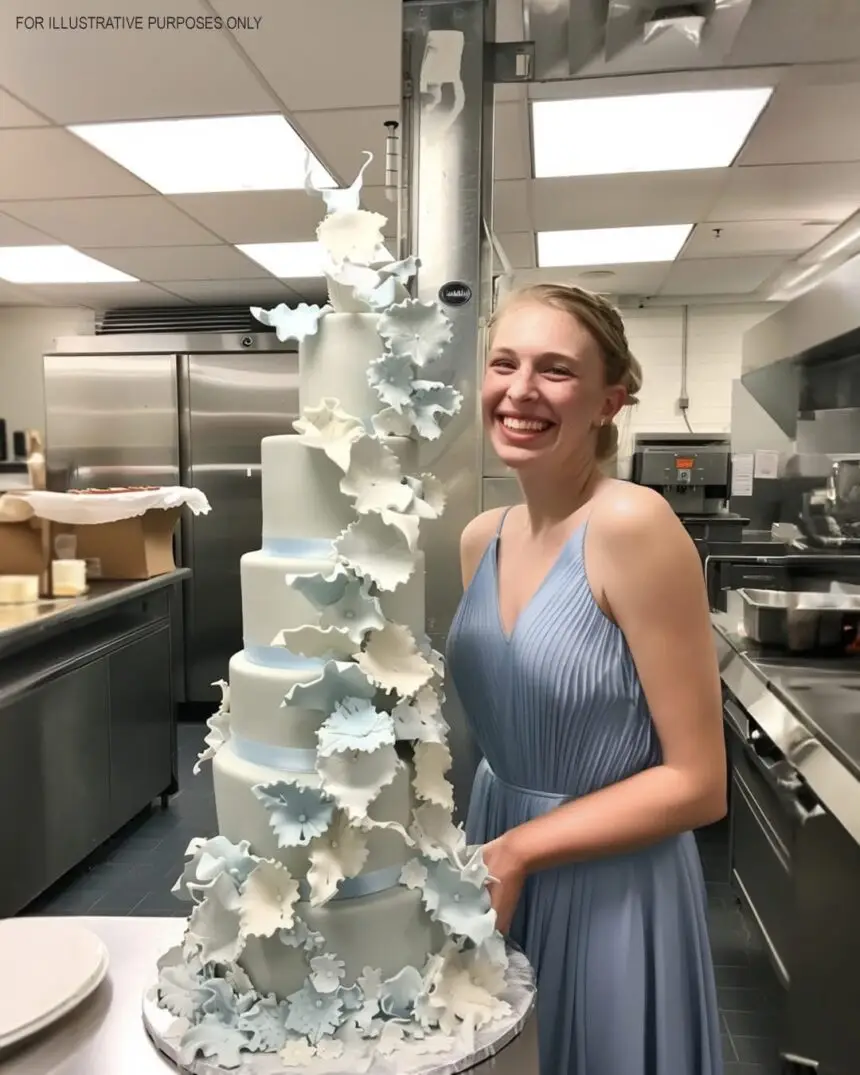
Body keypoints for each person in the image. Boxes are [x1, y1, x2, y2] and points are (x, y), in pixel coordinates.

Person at [446, 283, 727, 1075]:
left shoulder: (633, 526)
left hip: (610, 882)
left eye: (556, 369)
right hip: (499, 849)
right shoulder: (480, 538)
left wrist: (520, 849)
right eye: (505, 363)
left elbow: (700, 783)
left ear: (610, 400)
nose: (521, 389)